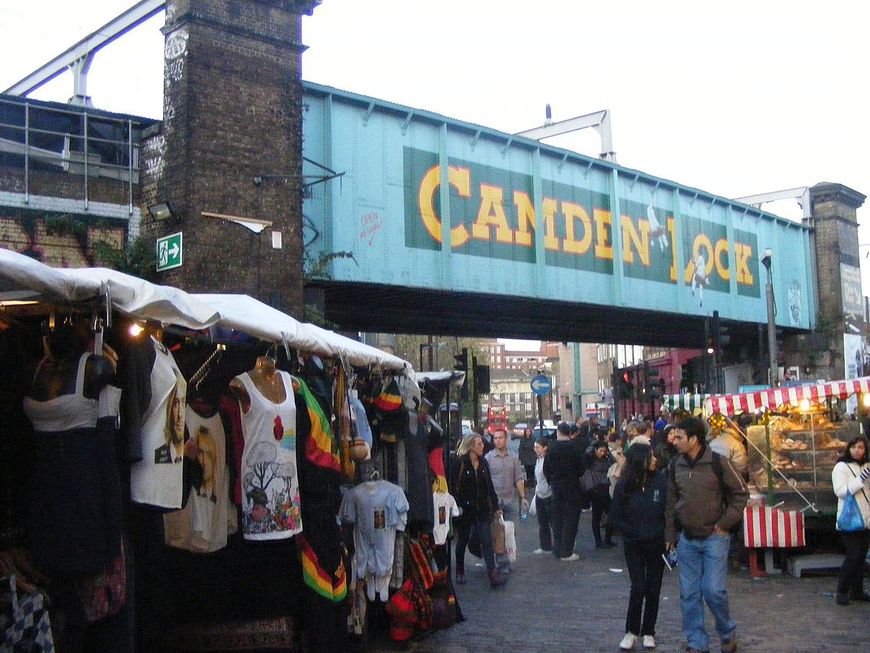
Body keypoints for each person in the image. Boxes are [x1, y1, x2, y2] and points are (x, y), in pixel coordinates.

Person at [665, 417, 747, 653]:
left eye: (679, 436)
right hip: (687, 539)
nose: (675, 440)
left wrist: (725, 523)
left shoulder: (718, 463)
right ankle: (696, 642)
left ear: (694, 440)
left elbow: (740, 494)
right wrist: (670, 534)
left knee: (713, 590)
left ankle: (726, 631)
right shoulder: (675, 466)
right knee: (689, 593)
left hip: (714, 536)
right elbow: (671, 502)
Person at [611, 443, 668, 651]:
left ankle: (649, 631)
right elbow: (615, 515)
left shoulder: (661, 481)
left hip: (656, 542)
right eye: (650, 457)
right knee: (638, 586)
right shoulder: (625, 485)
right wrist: (631, 531)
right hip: (634, 543)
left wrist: (666, 533)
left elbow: (668, 509)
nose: (654, 460)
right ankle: (631, 630)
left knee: (654, 588)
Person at [450, 434, 507, 589]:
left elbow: (489, 487)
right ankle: (460, 570)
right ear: (471, 446)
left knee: (487, 541)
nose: (483, 446)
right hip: (466, 510)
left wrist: (495, 508)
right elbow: (453, 487)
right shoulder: (460, 464)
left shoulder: (483, 463)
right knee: (462, 540)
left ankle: (493, 575)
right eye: (479, 444)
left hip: (482, 509)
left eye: (482, 443)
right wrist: (459, 505)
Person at [832, 435, 870, 605]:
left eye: (861, 447)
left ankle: (857, 590)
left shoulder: (867, 466)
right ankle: (841, 590)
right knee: (853, 556)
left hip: (866, 517)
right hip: (851, 518)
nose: (857, 450)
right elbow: (841, 491)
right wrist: (860, 479)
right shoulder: (841, 467)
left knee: (861, 556)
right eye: (854, 447)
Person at [485, 429, 527, 573]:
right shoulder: (488, 458)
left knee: (511, 532)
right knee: (498, 532)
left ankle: (506, 558)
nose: (498, 441)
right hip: (495, 501)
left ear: (506, 439)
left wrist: (523, 497)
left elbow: (518, 478)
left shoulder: (514, 458)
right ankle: (501, 562)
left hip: (510, 499)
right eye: (495, 438)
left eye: (500, 438)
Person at [543, 421, 586, 561]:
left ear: (558, 433)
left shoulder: (551, 448)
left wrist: (552, 481)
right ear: (569, 433)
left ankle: (557, 549)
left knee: (557, 519)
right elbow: (581, 469)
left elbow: (546, 469)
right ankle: (567, 552)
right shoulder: (574, 447)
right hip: (572, 487)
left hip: (556, 487)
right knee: (571, 519)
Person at [587, 441, 616, 548]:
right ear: (595, 450)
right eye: (600, 451)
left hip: (604, 488)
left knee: (611, 514)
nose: (602, 453)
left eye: (604, 451)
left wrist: (608, 453)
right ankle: (598, 541)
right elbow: (587, 454)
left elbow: (613, 461)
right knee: (597, 515)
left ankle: (607, 538)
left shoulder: (605, 459)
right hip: (595, 489)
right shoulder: (591, 460)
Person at [532, 437, 554, 554]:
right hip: (539, 494)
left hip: (548, 494)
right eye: (535, 447)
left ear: (545, 448)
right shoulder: (538, 460)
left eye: (538, 447)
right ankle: (545, 546)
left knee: (552, 521)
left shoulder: (548, 460)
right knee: (542, 522)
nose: (535, 450)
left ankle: (557, 544)